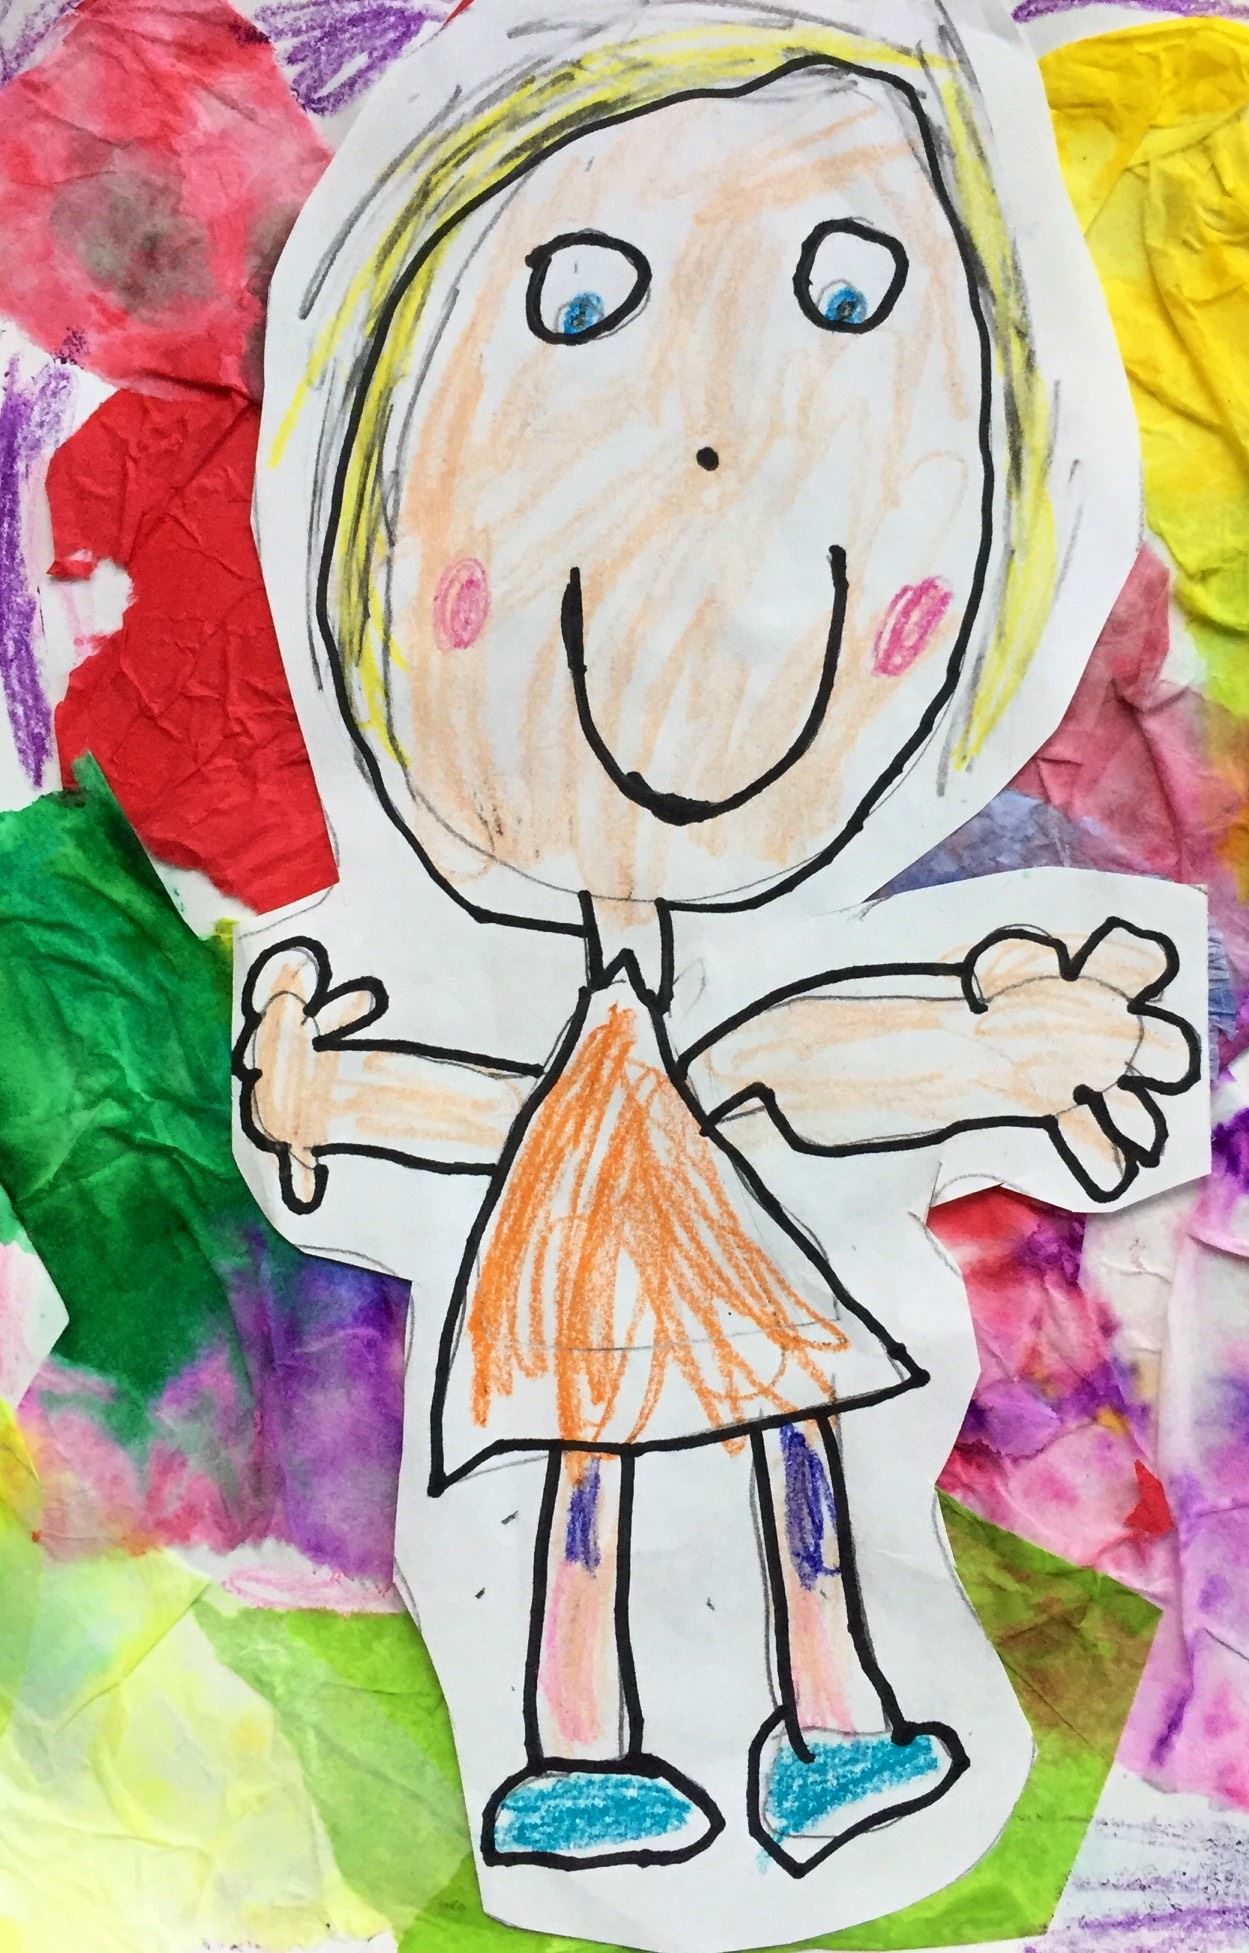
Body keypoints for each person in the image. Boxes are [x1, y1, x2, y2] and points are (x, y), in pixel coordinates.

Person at [236, 4, 1200, 1884]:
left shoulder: (731, 995)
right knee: (621, 1478)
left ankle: (825, 1718)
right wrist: (331, 1090)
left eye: (849, 292)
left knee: (774, 1457)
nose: (712, 469)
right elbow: (556, 1103)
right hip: (600, 1262)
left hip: (683, 1250)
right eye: (580, 303)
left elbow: (778, 1068)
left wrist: (1000, 1054)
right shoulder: (578, 983)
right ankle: (594, 1744)